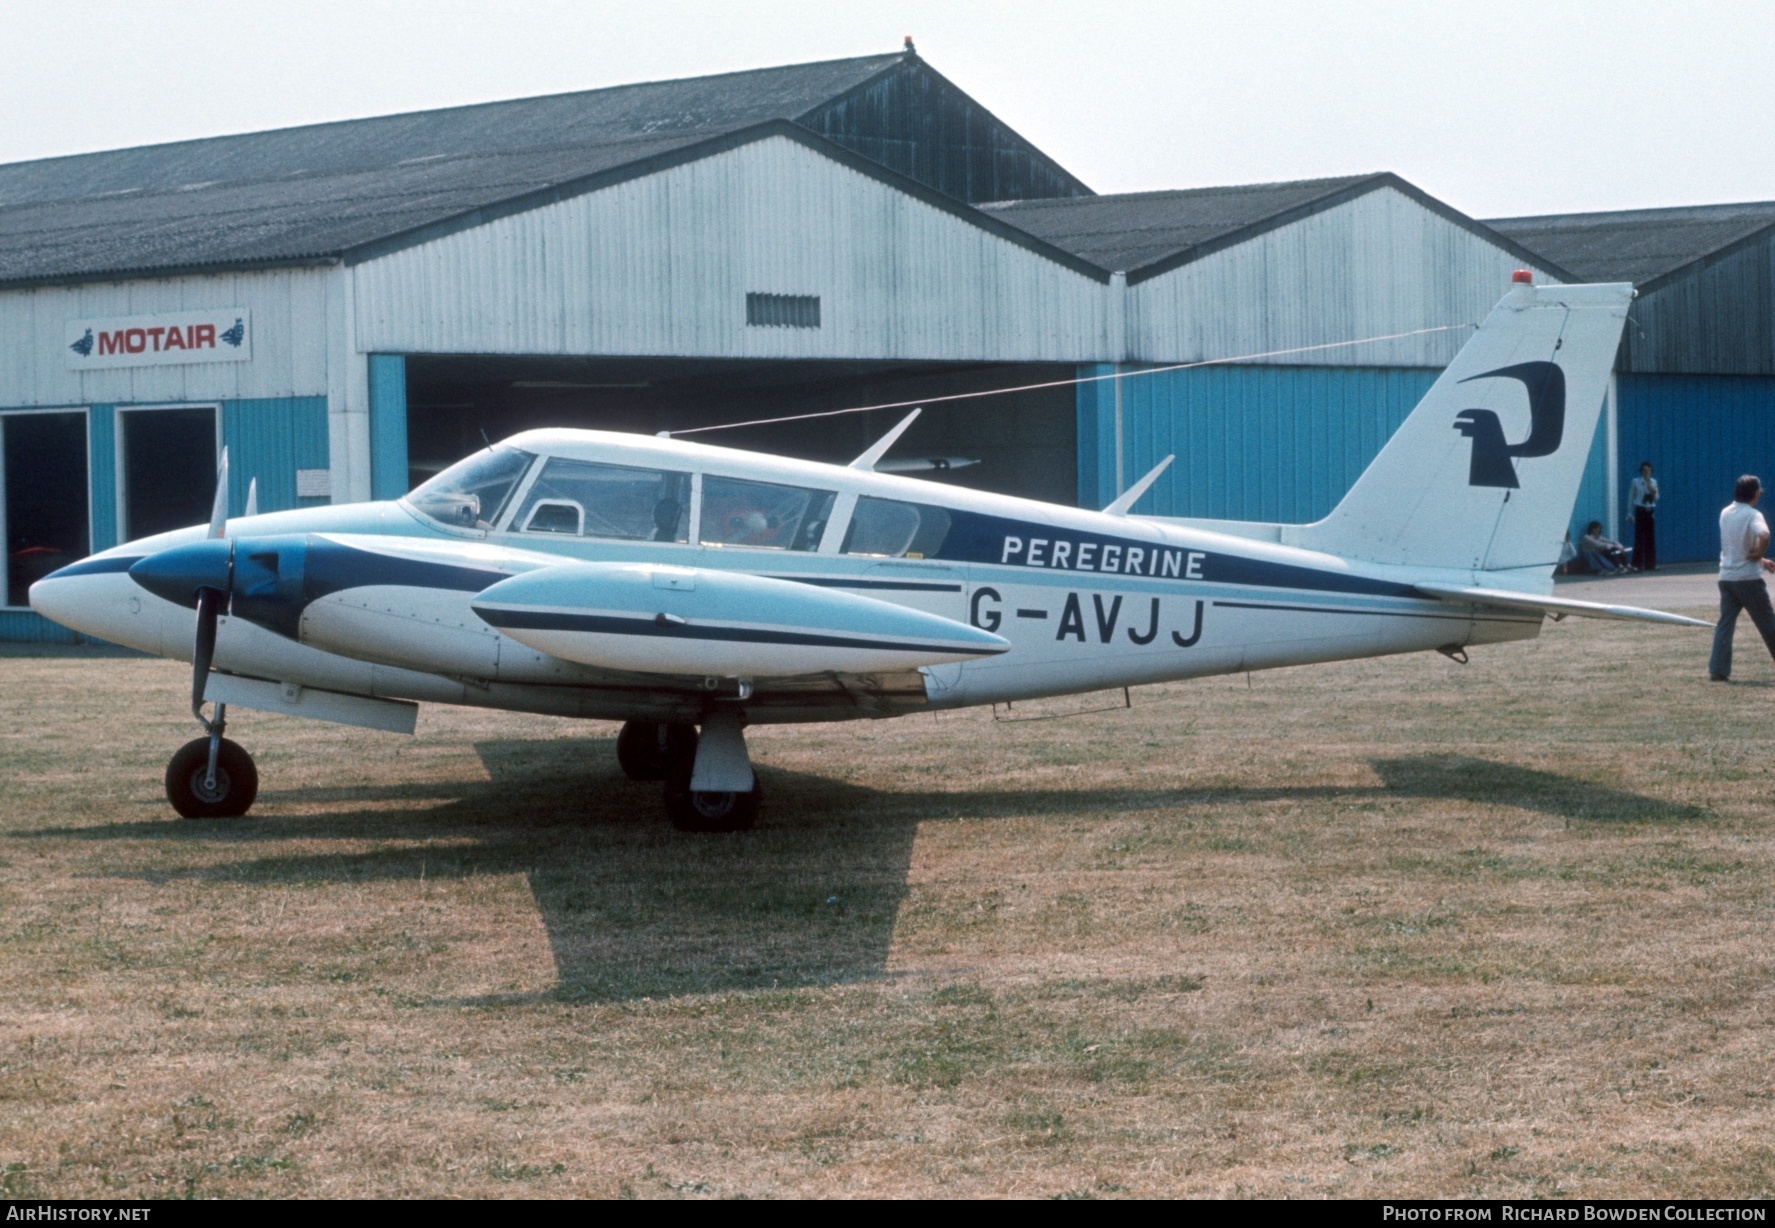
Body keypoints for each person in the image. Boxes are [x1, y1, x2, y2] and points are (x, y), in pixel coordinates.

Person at [1708, 474, 1775, 682]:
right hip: (1748, 580)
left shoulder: (1725, 513)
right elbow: (1764, 535)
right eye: (1759, 491)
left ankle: (1718, 669)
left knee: (1725, 625)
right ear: (1754, 493)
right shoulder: (1753, 515)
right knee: (1767, 623)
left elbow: (1736, 545)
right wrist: (1757, 555)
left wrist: (1761, 560)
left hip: (1727, 578)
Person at [1628, 461, 1659, 571]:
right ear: (1641, 471)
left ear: (1651, 471)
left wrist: (1653, 492)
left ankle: (1650, 564)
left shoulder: (1653, 482)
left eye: (1648, 470)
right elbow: (1631, 498)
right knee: (1639, 538)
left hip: (1649, 509)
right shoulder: (1636, 482)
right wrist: (1629, 513)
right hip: (1640, 509)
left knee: (1650, 538)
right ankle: (1637, 564)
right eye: (1645, 470)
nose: (1647, 472)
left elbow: (1656, 498)